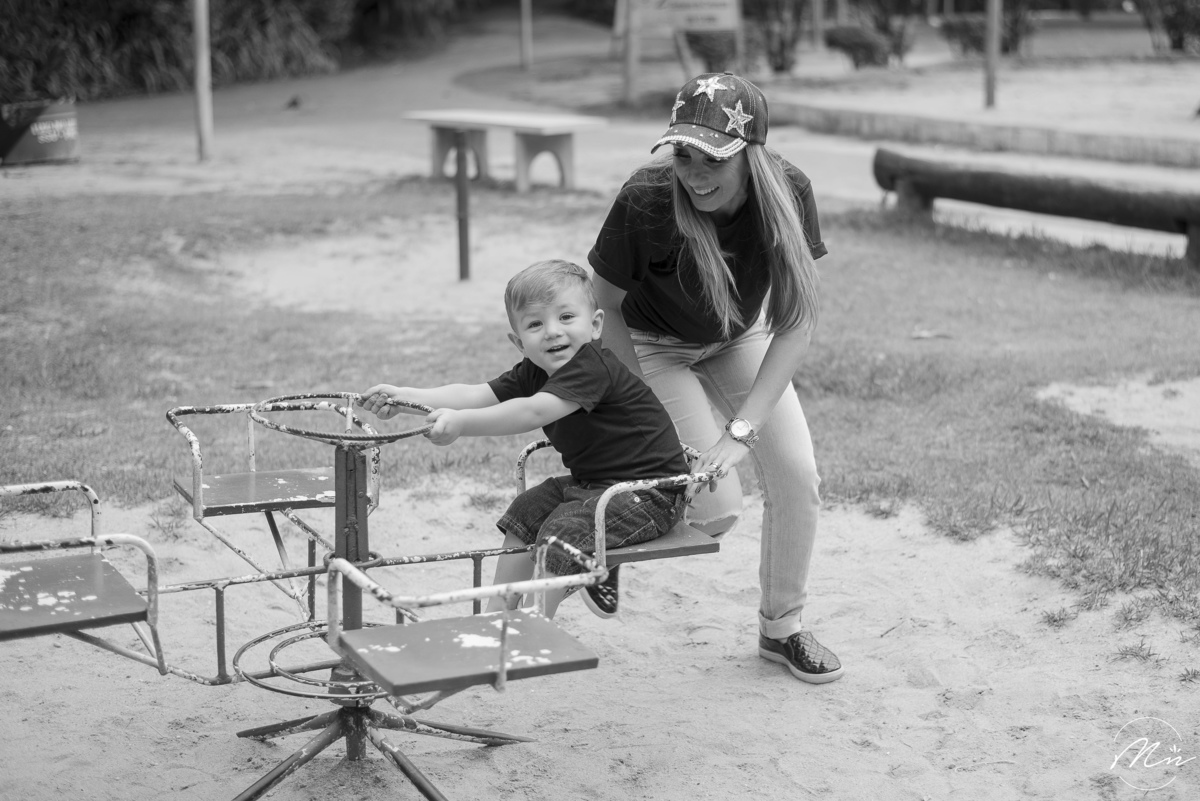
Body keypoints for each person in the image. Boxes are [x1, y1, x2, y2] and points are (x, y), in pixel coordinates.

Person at [587, 72, 843, 683]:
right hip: (650, 345)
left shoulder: (789, 191)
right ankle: (599, 529)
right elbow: (604, 307)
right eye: (683, 155)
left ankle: (781, 630)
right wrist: (641, 411)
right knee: (713, 509)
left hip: (736, 336)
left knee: (797, 475)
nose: (695, 174)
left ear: (750, 153)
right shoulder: (647, 198)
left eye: (714, 158)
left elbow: (796, 319)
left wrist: (743, 429)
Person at [357, 259, 689, 618]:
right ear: (519, 342)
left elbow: (533, 412)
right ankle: (498, 611)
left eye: (566, 317)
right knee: (527, 508)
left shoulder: (592, 367)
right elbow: (475, 394)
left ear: (595, 325)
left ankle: (535, 619)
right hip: (596, 485)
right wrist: (405, 398)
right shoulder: (534, 371)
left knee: (564, 531)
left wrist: (461, 424)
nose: (552, 332)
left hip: (652, 493)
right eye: (535, 324)